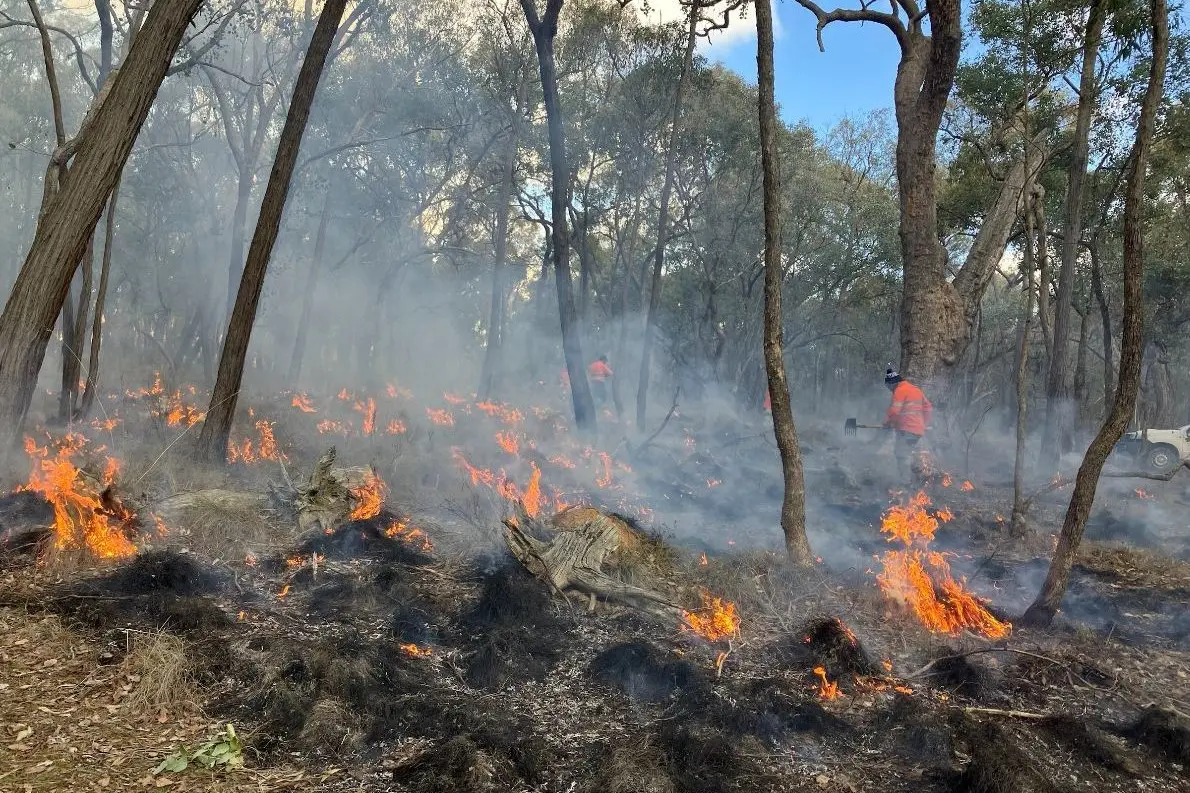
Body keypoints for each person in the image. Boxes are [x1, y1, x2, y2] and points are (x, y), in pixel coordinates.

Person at [882, 366, 932, 483]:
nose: (890, 390)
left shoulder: (899, 390)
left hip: (907, 430)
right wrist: (924, 425)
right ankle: (918, 478)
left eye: (889, 386)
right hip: (918, 431)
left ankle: (906, 484)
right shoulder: (916, 389)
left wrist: (888, 423)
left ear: (892, 383)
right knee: (910, 453)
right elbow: (929, 408)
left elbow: (894, 411)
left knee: (901, 454)